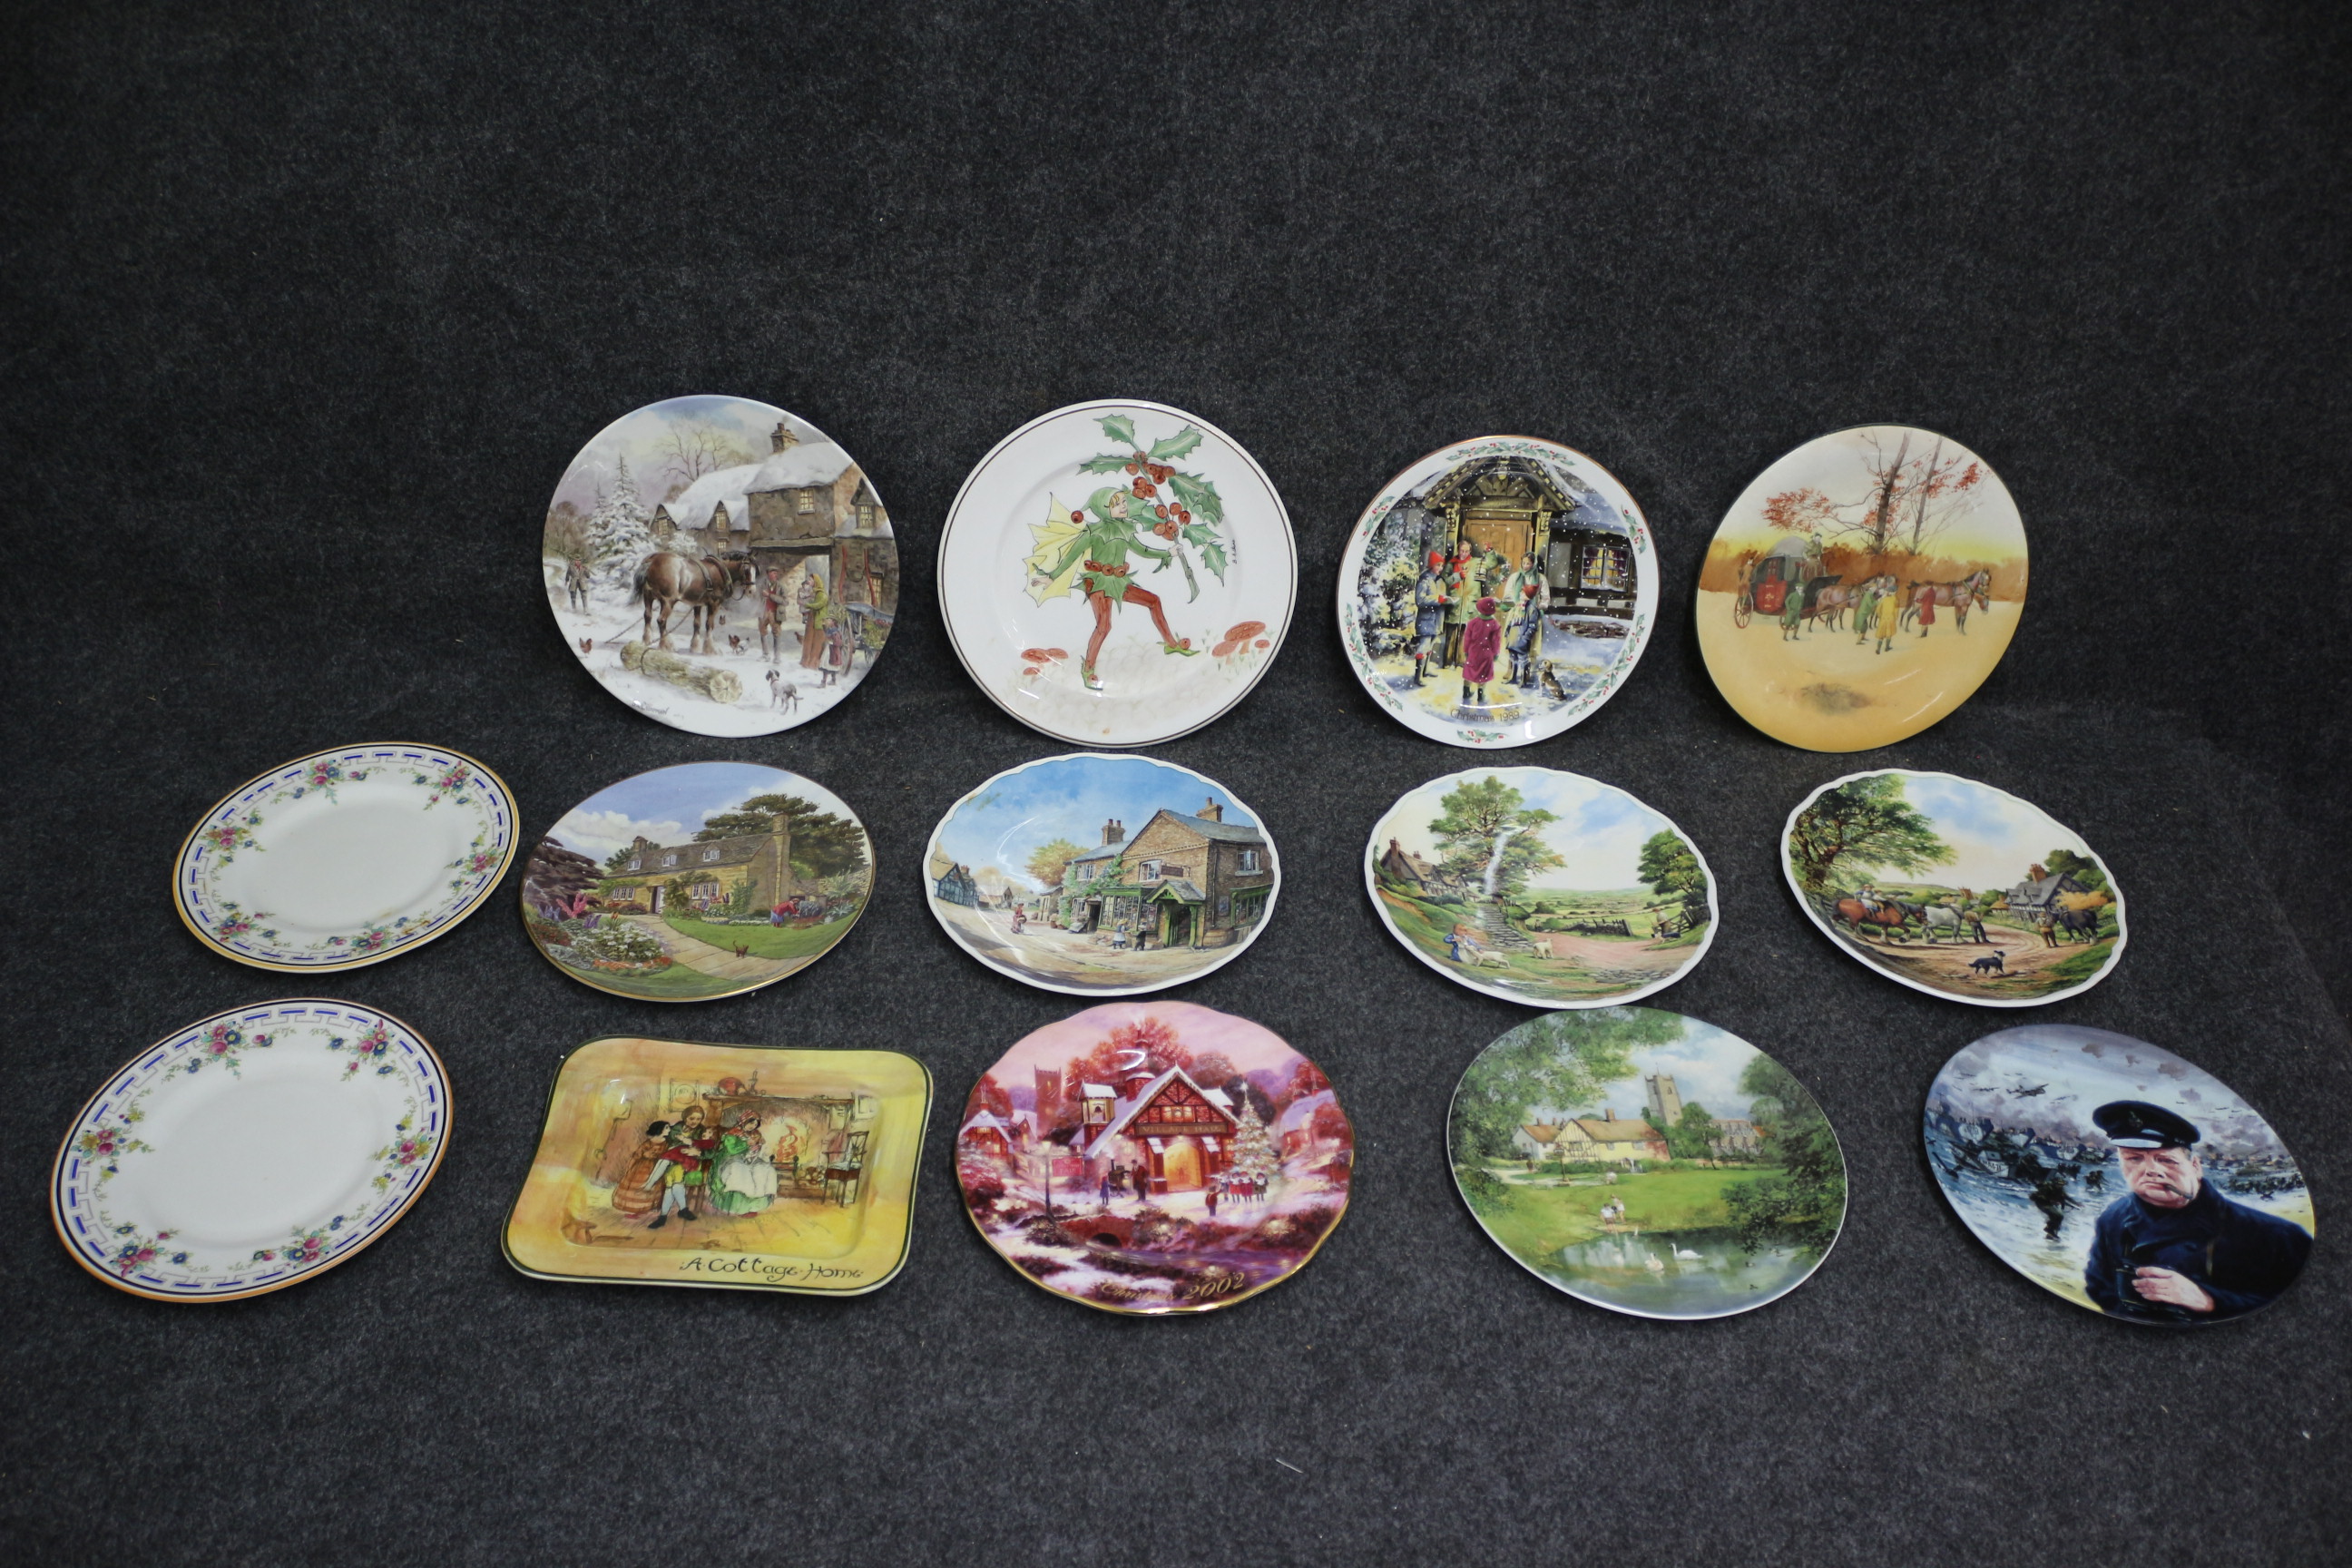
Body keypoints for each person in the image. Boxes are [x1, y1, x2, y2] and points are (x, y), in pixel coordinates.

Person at [2082, 1101, 2312, 1322]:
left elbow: (2298, 1307)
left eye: (2166, 1160)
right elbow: (2098, 1286)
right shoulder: (2113, 1219)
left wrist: (2209, 1301)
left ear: (2195, 1167)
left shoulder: (2275, 1236)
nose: (2151, 1170)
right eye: (2134, 1159)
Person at [1035, 498, 1197, 691]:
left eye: (1124, 502)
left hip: (1118, 582)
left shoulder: (1124, 530)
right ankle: (1088, 670)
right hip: (1098, 584)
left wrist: (1168, 553)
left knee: (1153, 601)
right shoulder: (1093, 532)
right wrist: (1051, 577)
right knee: (1104, 627)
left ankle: (1171, 644)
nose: (1124, 506)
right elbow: (1072, 555)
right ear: (1104, 508)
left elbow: (1143, 550)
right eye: (1117, 504)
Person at [610, 1120, 672, 1219]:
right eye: (667, 1128)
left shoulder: (666, 1144)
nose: (669, 1130)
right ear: (660, 1130)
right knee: (637, 1187)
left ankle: (649, 1209)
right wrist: (632, 1165)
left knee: (653, 1187)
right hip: (642, 1168)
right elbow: (637, 1155)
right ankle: (635, 1210)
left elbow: (667, 1156)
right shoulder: (648, 1143)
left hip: (656, 1168)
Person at [1410, 551, 1447, 685]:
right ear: (1431, 565)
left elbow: (1441, 597)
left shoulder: (1439, 581)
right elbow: (1420, 600)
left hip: (1436, 619)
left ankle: (1425, 671)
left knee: (1430, 645)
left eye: (1441, 566)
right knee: (1423, 647)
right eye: (1438, 565)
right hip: (1426, 620)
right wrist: (1437, 599)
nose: (1440, 568)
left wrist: (1446, 600)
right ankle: (1418, 677)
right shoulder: (1424, 580)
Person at [1461, 595, 1502, 707]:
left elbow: (1467, 639)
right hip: (1486, 653)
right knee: (1483, 675)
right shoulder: (1495, 624)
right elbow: (1496, 641)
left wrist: (1466, 651)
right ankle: (1481, 695)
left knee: (1469, 672)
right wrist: (1496, 653)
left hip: (1473, 652)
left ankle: (1466, 692)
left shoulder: (1472, 623)